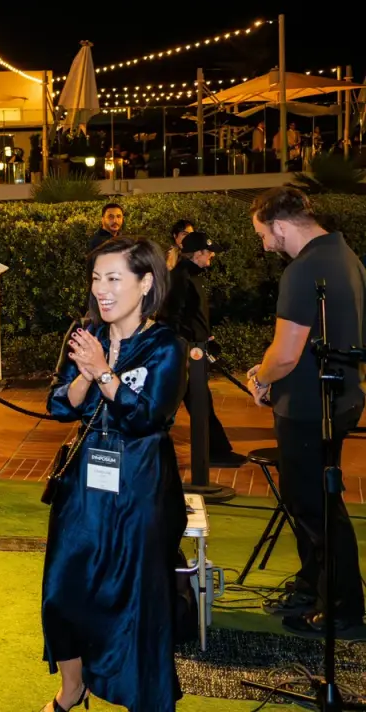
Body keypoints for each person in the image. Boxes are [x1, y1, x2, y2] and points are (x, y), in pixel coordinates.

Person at [43, 237, 187, 712]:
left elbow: (146, 417)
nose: (101, 290)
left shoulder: (165, 345)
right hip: (84, 487)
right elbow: (58, 405)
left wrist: (104, 373)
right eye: (96, 279)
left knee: (135, 603)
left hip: (140, 489)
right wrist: (85, 373)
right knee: (63, 591)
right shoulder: (89, 335)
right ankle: (72, 687)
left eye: (113, 279)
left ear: (145, 283)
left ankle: (142, 697)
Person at [246, 187, 365, 638]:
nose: (263, 244)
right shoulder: (344, 253)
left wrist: (262, 377)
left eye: (262, 234)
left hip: (309, 408)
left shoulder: (303, 269)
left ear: (279, 225)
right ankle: (313, 589)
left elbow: (288, 352)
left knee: (315, 507)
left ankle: (342, 608)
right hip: (341, 398)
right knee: (317, 502)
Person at [163, 231, 246, 467]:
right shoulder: (180, 277)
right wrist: (185, 349)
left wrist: (205, 336)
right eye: (208, 252)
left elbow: (192, 314)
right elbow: (171, 317)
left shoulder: (192, 275)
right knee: (193, 404)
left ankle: (216, 451)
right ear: (197, 253)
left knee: (201, 404)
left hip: (195, 351)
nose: (211, 256)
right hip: (187, 355)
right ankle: (214, 452)